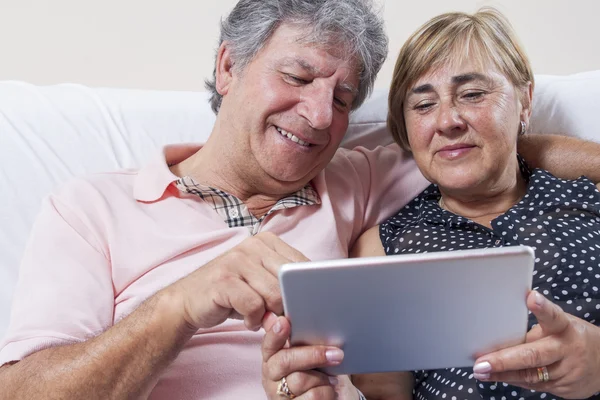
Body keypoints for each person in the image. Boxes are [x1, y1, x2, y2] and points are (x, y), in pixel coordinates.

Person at [0, 1, 599, 399]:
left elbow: (488, 145)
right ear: (228, 66)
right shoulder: (89, 208)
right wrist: (177, 306)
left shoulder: (356, 182)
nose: (318, 116)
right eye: (297, 77)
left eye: (342, 99)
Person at [351, 8, 600, 400]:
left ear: (525, 100)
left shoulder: (590, 200)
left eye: (472, 94)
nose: (447, 120)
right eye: (423, 105)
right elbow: (381, 391)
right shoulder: (383, 249)